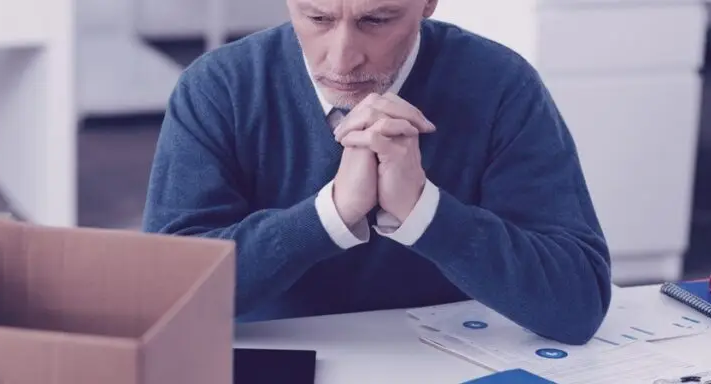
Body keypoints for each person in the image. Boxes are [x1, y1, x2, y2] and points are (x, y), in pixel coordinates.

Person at [141, 0, 611, 345]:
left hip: (444, 361)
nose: (343, 59)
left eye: (377, 20)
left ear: (427, 3)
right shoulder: (218, 87)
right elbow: (167, 298)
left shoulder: (501, 84)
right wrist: (330, 214)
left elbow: (576, 305)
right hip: (276, 357)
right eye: (318, 18)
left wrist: (423, 210)